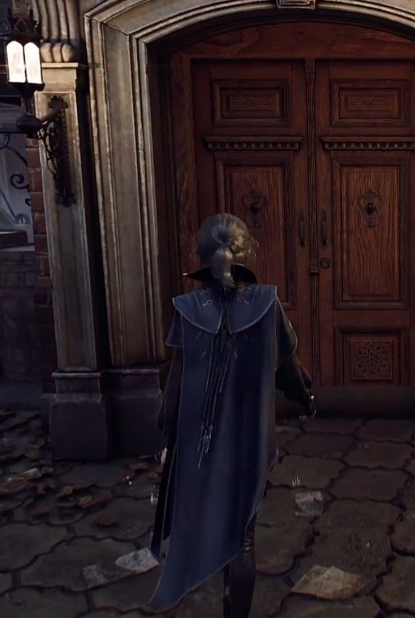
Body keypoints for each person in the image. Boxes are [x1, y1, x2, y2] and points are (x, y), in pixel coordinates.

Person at [149, 214, 314, 617]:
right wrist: (305, 397)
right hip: (249, 439)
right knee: (242, 535)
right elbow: (289, 371)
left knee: (212, 517)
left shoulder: (188, 308)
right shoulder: (266, 303)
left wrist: (167, 436)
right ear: (246, 253)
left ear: (202, 257)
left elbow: (176, 384)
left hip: (199, 443)